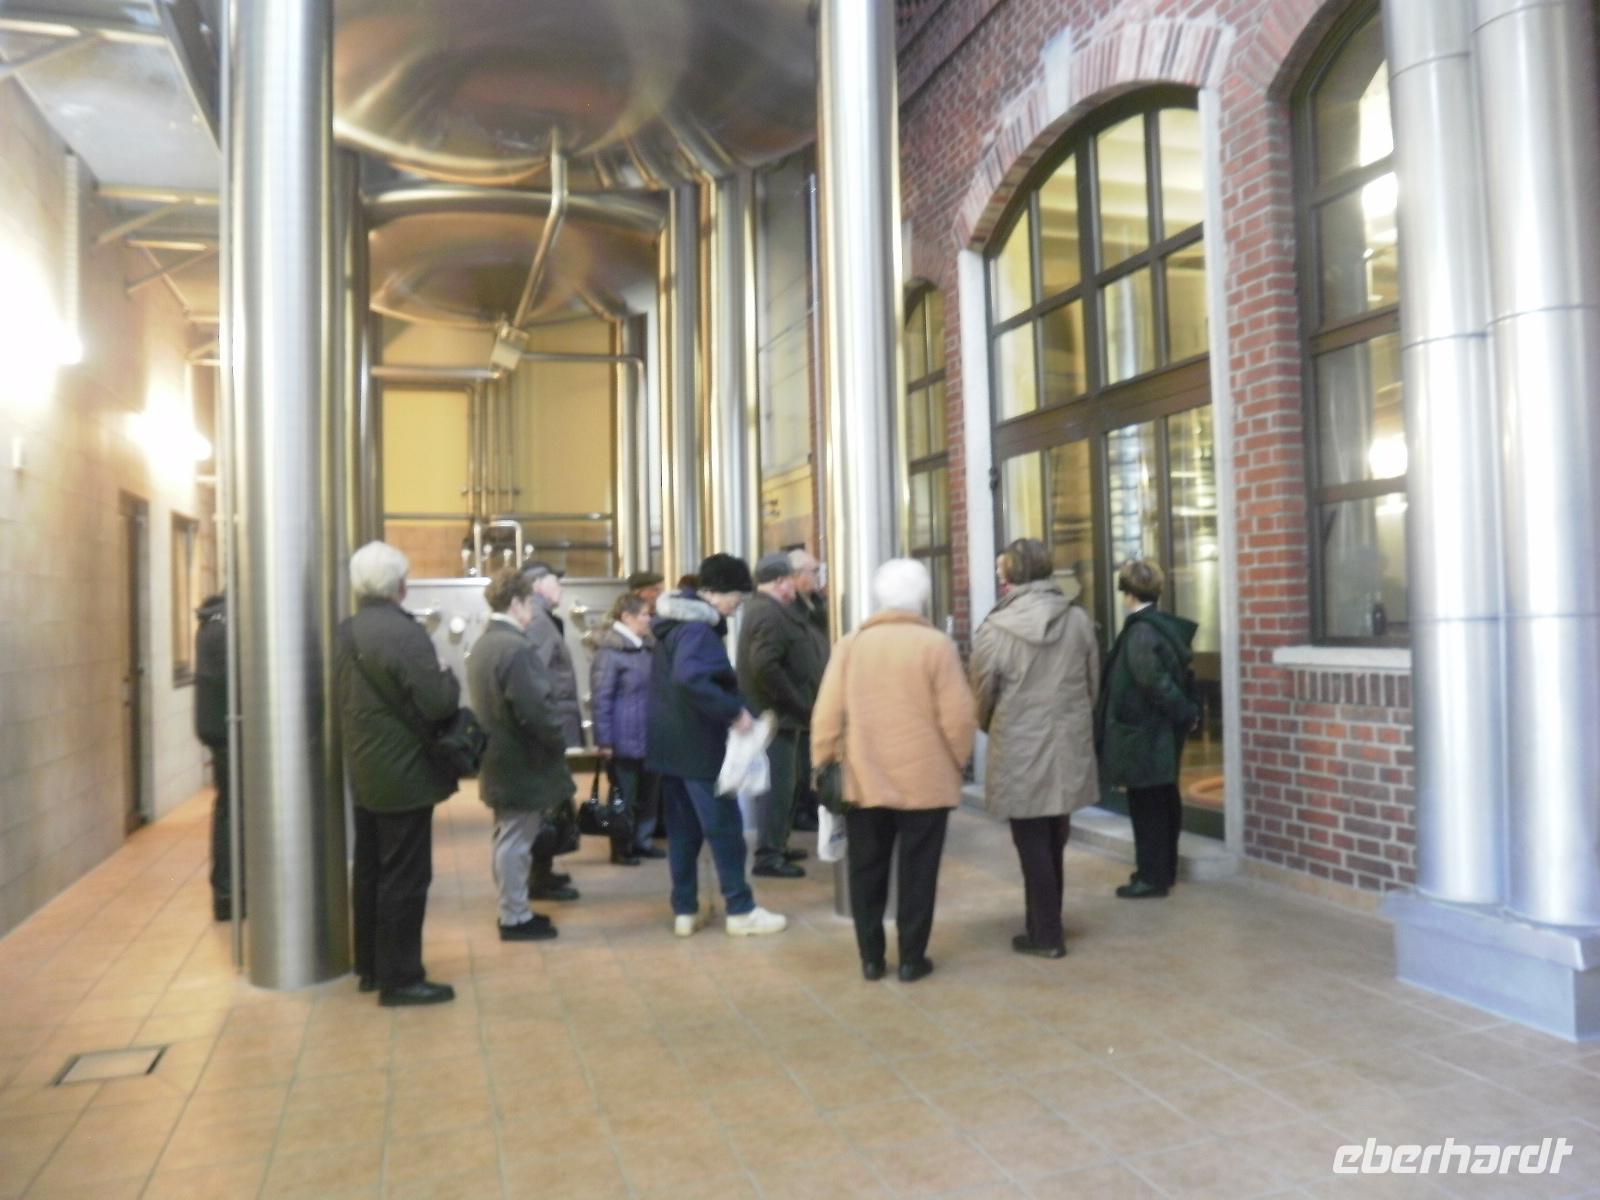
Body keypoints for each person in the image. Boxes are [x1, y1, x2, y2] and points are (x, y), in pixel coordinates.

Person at [811, 559, 976, 983]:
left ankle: (871, 958)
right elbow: (958, 717)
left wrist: (824, 761)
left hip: (863, 778)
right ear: (922, 597)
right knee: (919, 872)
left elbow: (827, 714)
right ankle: (911, 959)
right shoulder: (937, 645)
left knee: (866, 869)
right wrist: (957, 761)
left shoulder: (851, 645)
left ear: (879, 597)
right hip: (926, 780)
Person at [336, 541, 461, 1006]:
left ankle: (370, 966)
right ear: (400, 586)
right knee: (406, 878)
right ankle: (402, 978)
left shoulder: (346, 632)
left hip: (364, 768)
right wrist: (447, 674)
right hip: (404, 773)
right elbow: (438, 702)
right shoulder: (405, 634)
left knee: (370, 870)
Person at [970, 538, 1100, 959]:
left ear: (1011, 574)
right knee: (1054, 837)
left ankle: (1046, 933)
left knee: (1030, 842)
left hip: (1020, 744)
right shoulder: (1077, 619)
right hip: (1067, 742)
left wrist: (994, 725)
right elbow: (1092, 683)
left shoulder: (996, 628)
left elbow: (981, 694)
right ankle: (1045, 922)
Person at [646, 553, 787, 938]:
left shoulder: (673, 625)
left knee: (683, 834)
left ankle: (685, 910)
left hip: (671, 748)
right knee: (724, 829)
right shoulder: (697, 630)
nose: (736, 606)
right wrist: (734, 713)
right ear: (713, 592)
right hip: (699, 747)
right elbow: (690, 678)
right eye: (735, 598)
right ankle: (741, 909)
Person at [467, 569, 572, 941]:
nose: (532, 610)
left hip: (499, 756)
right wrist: (558, 740)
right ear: (515, 603)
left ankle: (514, 908)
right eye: (529, 602)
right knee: (515, 841)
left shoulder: (486, 643)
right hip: (520, 758)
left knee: (507, 837)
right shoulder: (515, 647)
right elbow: (535, 709)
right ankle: (515, 917)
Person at [1094, 559, 1200, 899]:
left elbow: (1153, 682)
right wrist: (1187, 714)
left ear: (1128, 594)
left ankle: (1151, 877)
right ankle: (1162, 871)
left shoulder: (1140, 631)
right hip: (1159, 733)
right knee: (1164, 801)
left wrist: (1185, 712)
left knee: (1148, 806)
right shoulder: (1163, 627)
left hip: (1143, 735)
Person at [737, 552, 826, 879]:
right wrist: (796, 701)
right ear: (779, 582)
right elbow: (765, 666)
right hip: (777, 717)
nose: (795, 585)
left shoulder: (773, 610)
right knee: (778, 788)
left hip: (785, 717)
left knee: (788, 786)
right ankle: (769, 855)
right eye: (790, 579)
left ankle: (778, 843)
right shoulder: (767, 612)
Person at [518, 560, 583, 902]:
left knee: (554, 800)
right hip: (550, 725)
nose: (561, 587)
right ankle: (537, 877)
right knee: (548, 803)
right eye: (555, 581)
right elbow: (537, 676)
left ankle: (543, 870)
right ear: (536, 585)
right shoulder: (540, 622)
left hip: (555, 721)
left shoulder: (544, 618)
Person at [590, 593, 665, 864]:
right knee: (624, 795)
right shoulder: (609, 653)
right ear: (626, 617)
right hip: (623, 738)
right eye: (644, 614)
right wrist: (604, 741)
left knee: (649, 794)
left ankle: (642, 841)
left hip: (650, 735)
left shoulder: (647, 648)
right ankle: (622, 847)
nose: (649, 619)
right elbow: (601, 699)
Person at [193, 593, 237, 922]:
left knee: (228, 809)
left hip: (218, 730)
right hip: (229, 733)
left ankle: (227, 892)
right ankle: (229, 893)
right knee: (233, 812)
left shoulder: (211, 624)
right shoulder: (226, 627)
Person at [787, 548, 831, 833]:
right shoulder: (789, 609)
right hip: (800, 694)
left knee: (814, 757)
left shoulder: (817, 605)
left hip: (818, 690)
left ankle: (812, 805)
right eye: (813, 571)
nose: (818, 577)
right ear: (796, 576)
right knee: (800, 761)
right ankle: (800, 809)